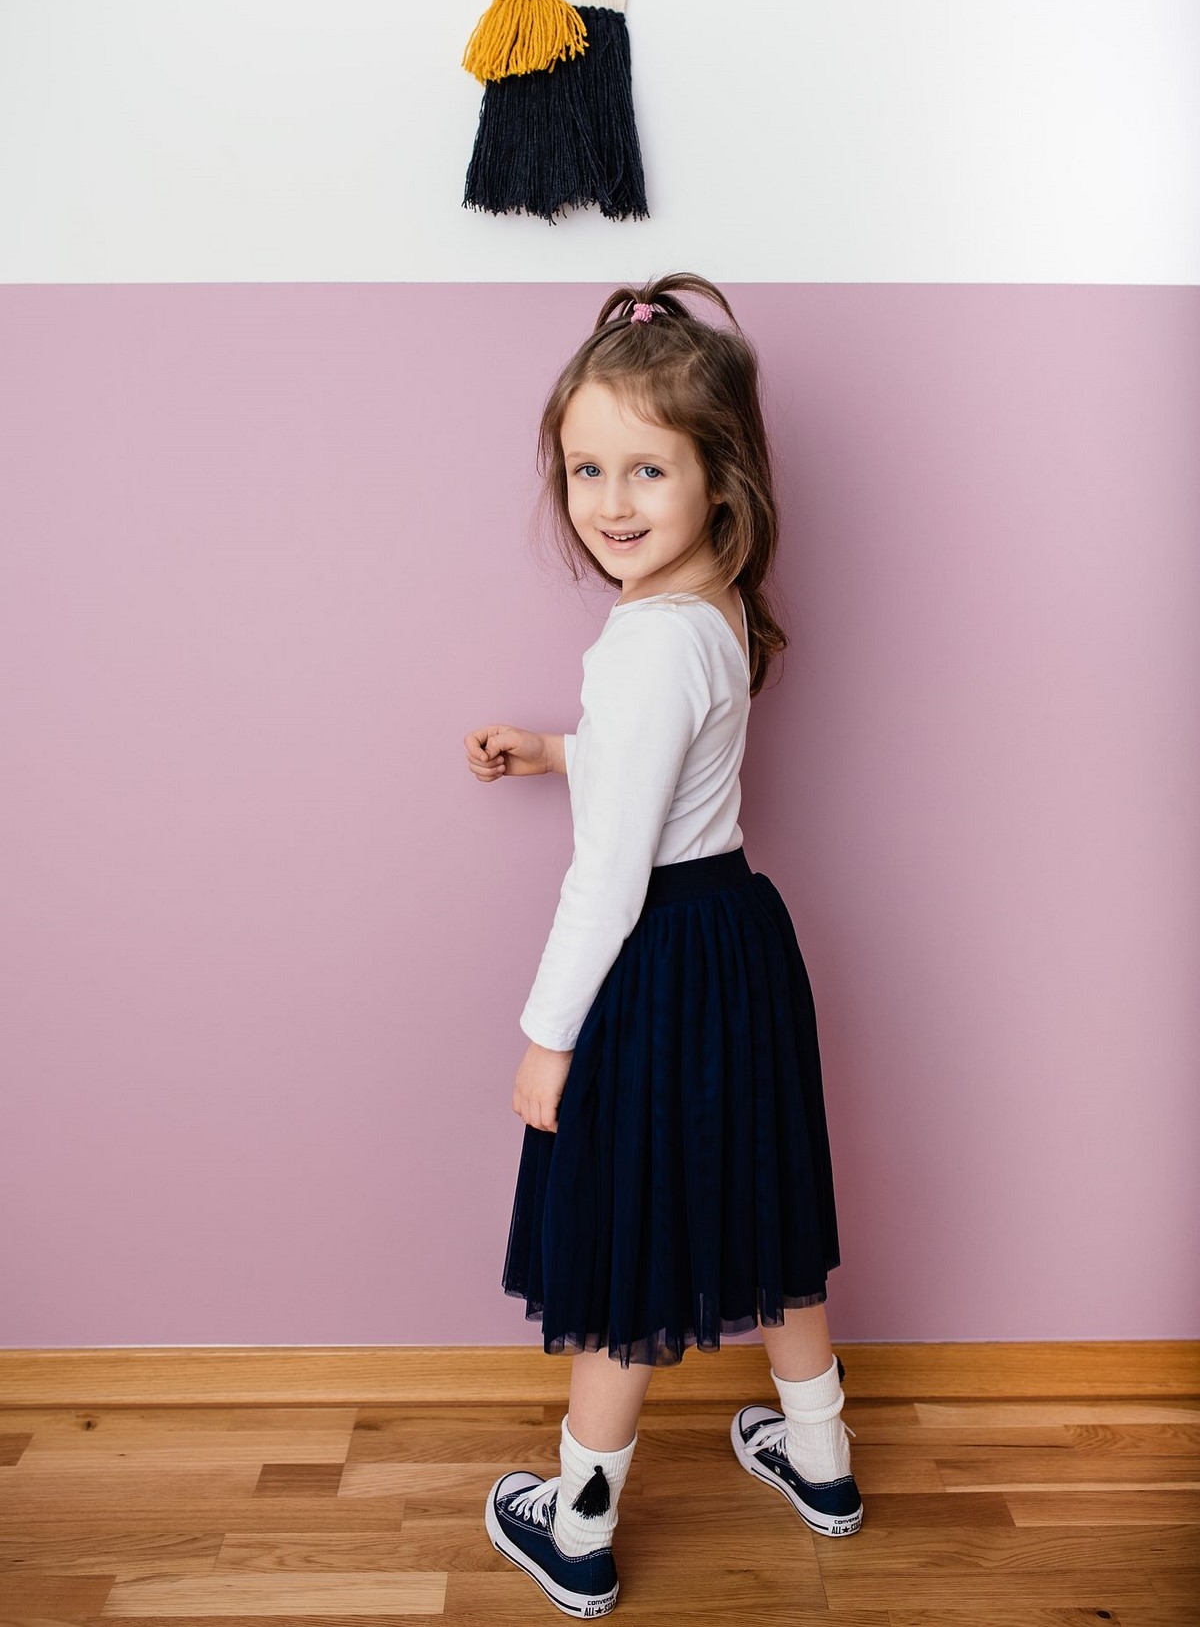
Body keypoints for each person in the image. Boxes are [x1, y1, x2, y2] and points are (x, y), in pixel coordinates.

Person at [463, 274, 861, 1619]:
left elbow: (610, 868)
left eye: (647, 468)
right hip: (735, 936)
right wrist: (555, 750)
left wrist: (546, 1035)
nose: (611, 501)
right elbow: (661, 772)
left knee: (628, 1238)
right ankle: (821, 1459)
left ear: (718, 477)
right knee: (764, 1205)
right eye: (587, 468)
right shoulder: (718, 606)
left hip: (658, 956)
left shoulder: (643, 645)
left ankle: (578, 1522)